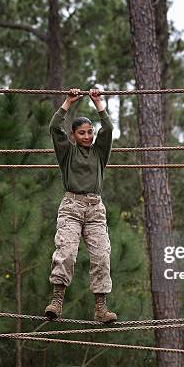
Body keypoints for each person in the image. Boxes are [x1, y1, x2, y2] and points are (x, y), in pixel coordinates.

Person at [44, 88, 117, 323]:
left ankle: (100, 307)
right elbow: (55, 128)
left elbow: (109, 129)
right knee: (65, 252)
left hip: (95, 208)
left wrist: (98, 103)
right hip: (72, 207)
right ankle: (57, 300)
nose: (87, 136)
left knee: (102, 256)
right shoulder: (67, 153)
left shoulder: (99, 153)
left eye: (90, 132)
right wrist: (67, 102)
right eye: (82, 133)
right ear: (73, 136)